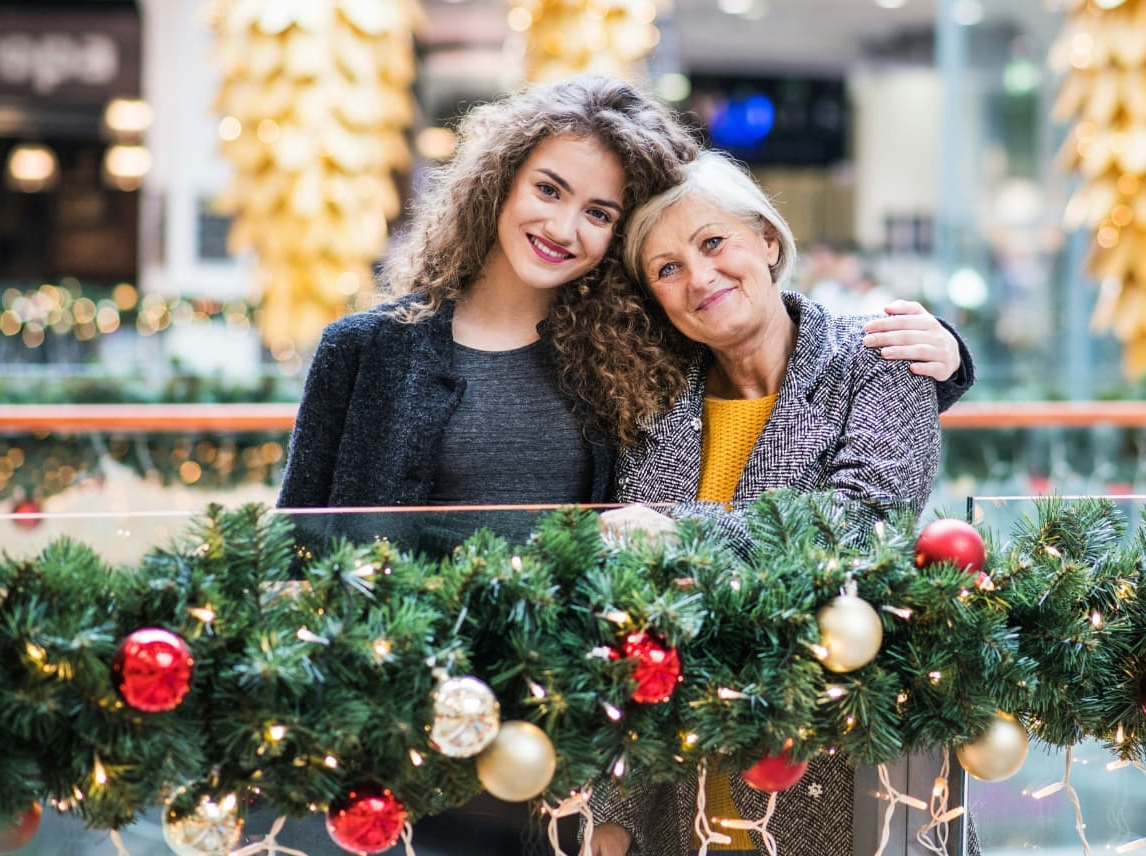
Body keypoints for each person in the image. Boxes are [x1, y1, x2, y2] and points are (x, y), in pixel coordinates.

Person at [276, 76, 970, 855]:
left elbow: (774, 338)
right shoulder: (366, 350)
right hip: (399, 715)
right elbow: (299, 540)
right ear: (498, 183)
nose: (563, 225)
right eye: (548, 188)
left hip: (564, 727)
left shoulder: (625, 354)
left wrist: (944, 356)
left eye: (600, 213)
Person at [589, 151, 968, 856]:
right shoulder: (650, 407)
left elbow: (863, 527)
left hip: (852, 784)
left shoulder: (877, 357)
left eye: (713, 243)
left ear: (766, 239)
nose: (699, 277)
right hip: (691, 802)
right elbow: (637, 624)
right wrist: (614, 813)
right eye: (666, 268)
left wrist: (677, 529)